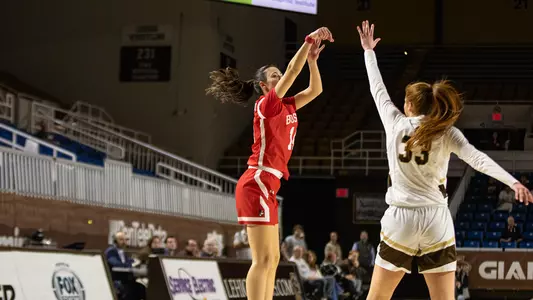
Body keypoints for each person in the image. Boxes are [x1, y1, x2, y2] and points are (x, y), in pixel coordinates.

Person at [356, 20, 533, 300]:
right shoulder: (447, 133)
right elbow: (478, 159)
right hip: (436, 219)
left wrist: (368, 51)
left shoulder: (395, 122)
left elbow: (377, 89)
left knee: (377, 297)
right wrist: (513, 182)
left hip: (400, 218)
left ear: (410, 105)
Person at [206, 27, 334, 300]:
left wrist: (312, 61)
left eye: (279, 74)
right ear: (264, 86)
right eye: (274, 75)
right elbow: (291, 72)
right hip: (257, 182)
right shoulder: (267, 105)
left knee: (273, 260)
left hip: (269, 184)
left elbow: (316, 89)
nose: (280, 77)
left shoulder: (286, 105)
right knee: (262, 259)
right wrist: (309, 41)